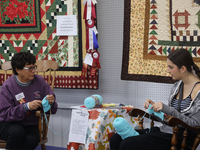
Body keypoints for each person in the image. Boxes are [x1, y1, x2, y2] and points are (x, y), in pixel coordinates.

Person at [110, 48, 200, 150]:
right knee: (116, 139)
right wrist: (155, 109)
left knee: (128, 144)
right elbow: (169, 118)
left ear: (183, 69)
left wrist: (167, 109)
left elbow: (195, 125)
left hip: (180, 139)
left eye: (171, 67)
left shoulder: (198, 90)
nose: (167, 70)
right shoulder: (177, 86)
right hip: (165, 132)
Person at [0, 52, 58, 150]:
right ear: (18, 70)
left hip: (30, 125)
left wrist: (51, 104)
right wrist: (26, 107)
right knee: (17, 132)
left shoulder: (39, 81)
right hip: (8, 124)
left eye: (34, 67)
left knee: (32, 139)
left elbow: (54, 109)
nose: (34, 71)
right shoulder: (8, 86)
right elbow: (5, 113)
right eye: (30, 68)